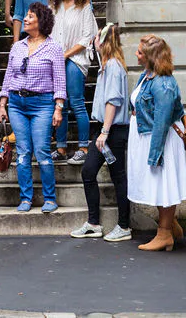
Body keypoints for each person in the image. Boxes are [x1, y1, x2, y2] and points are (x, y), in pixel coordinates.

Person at [0, 1, 66, 213]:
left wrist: (58, 108)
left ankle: (50, 198)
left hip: (42, 104)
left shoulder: (53, 48)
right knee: (23, 152)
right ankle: (25, 198)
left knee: (42, 151)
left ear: (40, 21)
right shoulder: (17, 47)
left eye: (29, 16)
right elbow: (8, 76)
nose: (24, 19)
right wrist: (2, 104)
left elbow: (60, 81)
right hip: (17, 104)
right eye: (26, 16)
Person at [70, 23, 131, 242]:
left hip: (111, 131)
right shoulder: (108, 65)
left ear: (103, 41)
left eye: (97, 37)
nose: (93, 41)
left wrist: (104, 132)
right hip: (106, 129)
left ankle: (123, 226)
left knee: (118, 177)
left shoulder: (113, 65)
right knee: (90, 172)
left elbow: (112, 101)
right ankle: (94, 223)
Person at [128, 34, 186, 252]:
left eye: (140, 52)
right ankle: (170, 225)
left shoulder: (163, 83)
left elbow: (162, 122)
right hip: (147, 137)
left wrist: (155, 154)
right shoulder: (146, 76)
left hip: (161, 140)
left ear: (150, 57)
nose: (136, 54)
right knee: (157, 184)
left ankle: (164, 235)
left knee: (164, 184)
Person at [48, 0, 98, 165]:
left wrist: (66, 55)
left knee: (76, 102)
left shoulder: (84, 5)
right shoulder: (54, 5)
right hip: (57, 59)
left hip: (76, 59)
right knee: (60, 103)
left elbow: (88, 37)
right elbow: (48, 33)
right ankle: (61, 148)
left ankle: (83, 147)